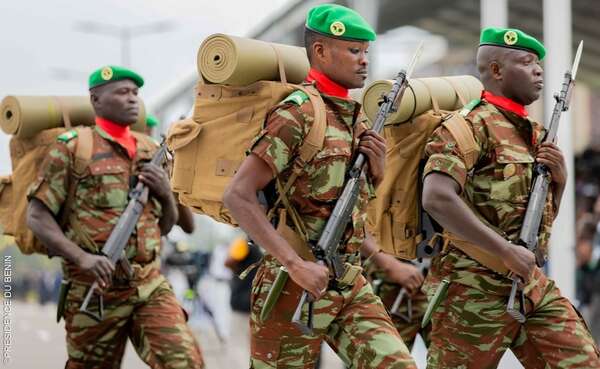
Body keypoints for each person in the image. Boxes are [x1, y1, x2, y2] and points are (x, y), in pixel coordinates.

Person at [223, 4, 416, 368]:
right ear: (321, 51)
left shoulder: (357, 118)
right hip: (290, 281)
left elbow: (346, 212)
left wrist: (377, 170)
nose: (364, 62)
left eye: (366, 53)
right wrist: (295, 265)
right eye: (354, 51)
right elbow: (237, 195)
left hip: (346, 279)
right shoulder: (297, 113)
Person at [421, 27, 600, 367]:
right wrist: (504, 251)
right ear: (497, 70)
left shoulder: (535, 135)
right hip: (472, 290)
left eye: (539, 64)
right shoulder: (467, 126)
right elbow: (437, 198)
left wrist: (559, 183)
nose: (538, 70)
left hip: (531, 286)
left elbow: (537, 223)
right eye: (526, 61)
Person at [26, 65, 204, 369]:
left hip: (149, 283)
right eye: (122, 92)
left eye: (135, 93)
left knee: (185, 362)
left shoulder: (151, 150)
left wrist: (165, 194)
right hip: (94, 285)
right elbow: (37, 216)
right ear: (96, 100)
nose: (132, 99)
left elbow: (167, 225)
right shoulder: (72, 148)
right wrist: (82, 259)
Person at [363, 253, 430, 350]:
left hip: (442, 286)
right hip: (393, 285)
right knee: (381, 356)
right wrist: (391, 265)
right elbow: (363, 238)